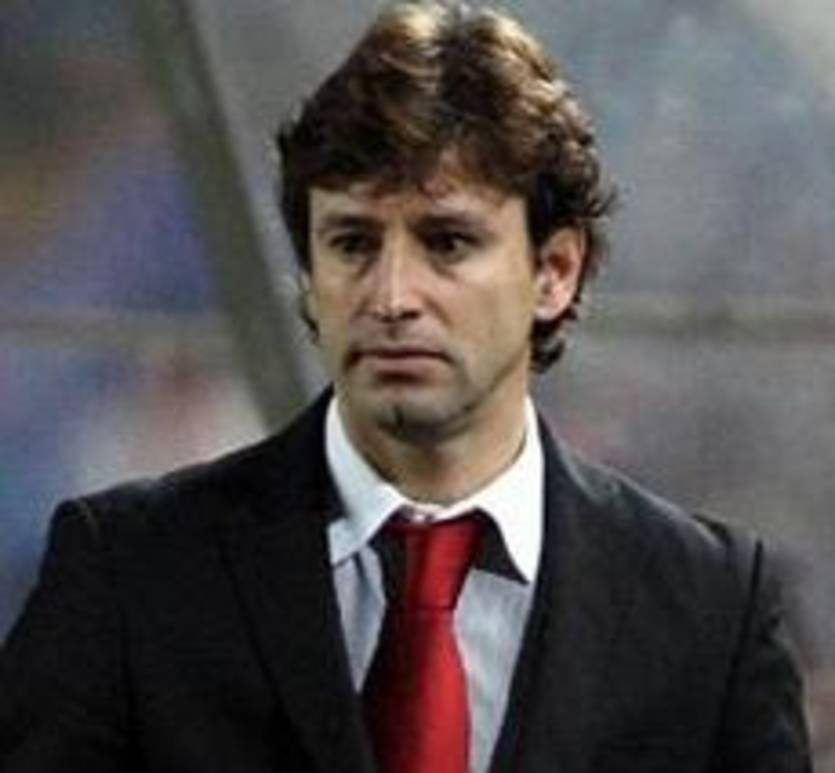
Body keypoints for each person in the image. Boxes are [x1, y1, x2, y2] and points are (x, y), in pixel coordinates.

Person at [0, 2, 812, 771]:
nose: (391, 295)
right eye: (352, 243)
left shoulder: (709, 608)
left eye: (447, 242)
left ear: (554, 272)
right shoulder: (129, 574)